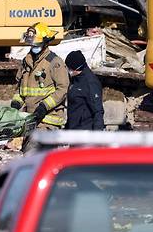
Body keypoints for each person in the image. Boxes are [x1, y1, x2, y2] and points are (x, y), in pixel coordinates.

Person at [11, 22, 69, 151]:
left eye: (36, 44)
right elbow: (21, 88)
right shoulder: (27, 61)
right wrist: (16, 102)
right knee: (29, 156)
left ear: (45, 43)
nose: (33, 47)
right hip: (31, 119)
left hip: (48, 121)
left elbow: (63, 89)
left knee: (34, 157)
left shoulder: (54, 62)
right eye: (32, 44)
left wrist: (44, 106)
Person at [64, 50, 105, 130]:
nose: (68, 70)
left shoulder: (91, 82)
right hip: (74, 128)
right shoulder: (75, 79)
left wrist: (97, 136)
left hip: (85, 130)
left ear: (77, 68)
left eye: (70, 68)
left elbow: (98, 111)